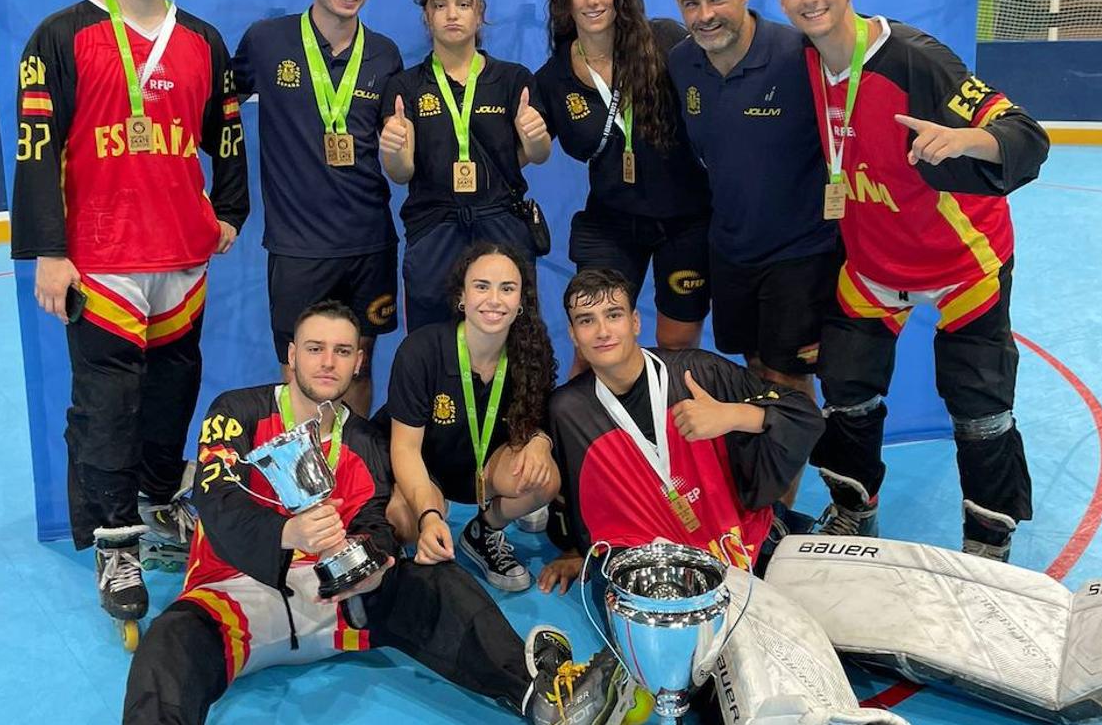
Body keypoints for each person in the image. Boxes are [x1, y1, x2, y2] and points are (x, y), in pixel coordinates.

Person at [122, 301, 632, 725]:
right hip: (231, 601)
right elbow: (215, 499)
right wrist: (287, 531)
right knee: (168, 644)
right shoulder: (236, 411)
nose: (328, 362)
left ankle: (544, 699)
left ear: (358, 361)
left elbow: (375, 525)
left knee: (435, 581)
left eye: (342, 351)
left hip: (335, 605)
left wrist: (371, 562)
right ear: (292, 354)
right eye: (316, 349)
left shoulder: (365, 439)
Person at [9, 0, 249, 629]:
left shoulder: (204, 40)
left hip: (181, 257)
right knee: (109, 403)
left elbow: (229, 132)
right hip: (102, 259)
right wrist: (49, 250)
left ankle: (154, 500)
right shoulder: (61, 35)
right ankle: (116, 541)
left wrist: (230, 212)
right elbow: (36, 152)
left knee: (173, 395)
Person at [772, 0, 1050, 560]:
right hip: (873, 264)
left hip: (963, 263)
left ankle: (987, 542)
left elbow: (1027, 137)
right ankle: (853, 508)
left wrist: (965, 140)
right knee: (845, 392)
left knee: (980, 411)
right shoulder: (808, 58)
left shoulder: (915, 59)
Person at [537, 269, 824, 596]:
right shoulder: (568, 409)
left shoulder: (699, 371)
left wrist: (733, 415)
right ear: (573, 336)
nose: (602, 331)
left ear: (635, 322)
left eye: (613, 315)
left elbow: (805, 415)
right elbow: (570, 494)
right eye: (586, 320)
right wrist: (576, 551)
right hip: (657, 576)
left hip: (742, 545)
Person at [231, 0, 402, 415]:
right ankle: (303, 486)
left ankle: (352, 476)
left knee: (360, 366)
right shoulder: (266, 42)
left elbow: (394, 147)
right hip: (297, 249)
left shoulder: (385, 53)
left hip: (369, 243)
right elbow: (217, 111)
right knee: (298, 373)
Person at [668, 0, 839, 414]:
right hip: (731, 251)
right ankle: (770, 481)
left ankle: (783, 491)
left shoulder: (799, 53)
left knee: (788, 379)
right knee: (757, 368)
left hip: (800, 251)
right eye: (690, 3)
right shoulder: (682, 63)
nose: (705, 15)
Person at [534, 0, 711, 377]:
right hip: (611, 222)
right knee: (593, 344)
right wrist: (529, 138)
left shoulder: (667, 40)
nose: (592, 0)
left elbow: (718, 90)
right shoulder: (553, 76)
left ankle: (667, 440)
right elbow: (529, 153)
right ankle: (581, 444)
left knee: (677, 345)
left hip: (685, 220)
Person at [380, 0, 552, 330]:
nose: (452, 14)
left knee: (514, 335)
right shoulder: (406, 86)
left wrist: (537, 138)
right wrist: (393, 150)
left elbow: (536, 156)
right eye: (440, 5)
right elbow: (401, 173)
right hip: (434, 226)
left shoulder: (513, 78)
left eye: (463, 3)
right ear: (427, 16)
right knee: (431, 339)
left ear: (479, 13)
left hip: (501, 222)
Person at [385, 242, 560, 592]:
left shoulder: (530, 352)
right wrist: (429, 515)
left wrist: (541, 443)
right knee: (403, 523)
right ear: (461, 296)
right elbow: (404, 449)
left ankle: (483, 532)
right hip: (428, 467)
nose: (494, 300)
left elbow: (539, 420)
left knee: (545, 478)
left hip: (486, 468)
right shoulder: (421, 351)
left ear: (521, 301)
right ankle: (436, 506)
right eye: (482, 286)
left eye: (507, 289)